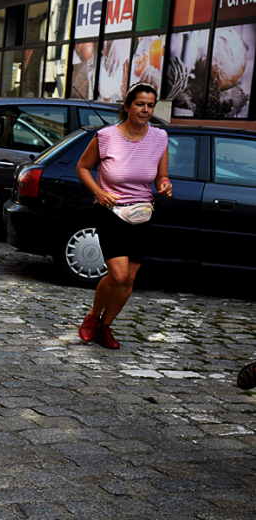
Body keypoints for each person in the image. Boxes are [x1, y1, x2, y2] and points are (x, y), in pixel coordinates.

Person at [76, 83, 171, 350]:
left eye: (150, 105)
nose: (145, 110)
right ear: (127, 106)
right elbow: (83, 167)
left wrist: (164, 184)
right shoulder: (106, 136)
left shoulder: (160, 138)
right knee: (117, 275)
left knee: (130, 278)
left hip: (142, 212)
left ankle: (105, 328)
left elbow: (161, 175)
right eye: (140, 104)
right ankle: (93, 318)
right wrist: (99, 191)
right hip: (110, 211)